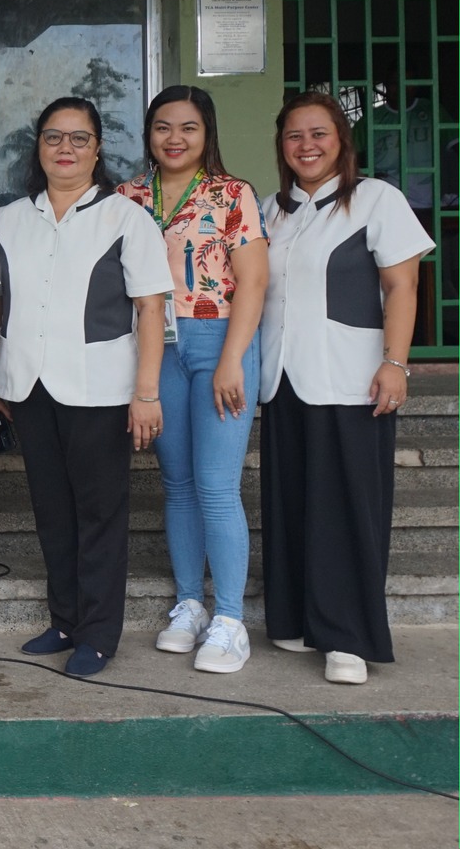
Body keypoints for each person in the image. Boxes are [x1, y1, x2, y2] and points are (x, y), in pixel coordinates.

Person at [0, 97, 170, 677]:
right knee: (51, 510)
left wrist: (146, 392)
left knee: (100, 513)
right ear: (37, 146)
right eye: (54, 138)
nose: (66, 149)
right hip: (28, 386)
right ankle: (63, 620)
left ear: (97, 148)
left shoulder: (127, 218)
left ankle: (98, 633)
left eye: (79, 139)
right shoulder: (10, 217)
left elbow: (151, 309)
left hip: (101, 388)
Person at [256, 90, 433, 685]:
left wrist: (396, 363)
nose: (306, 146)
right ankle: (297, 618)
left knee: (347, 508)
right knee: (291, 500)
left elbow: (403, 287)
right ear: (281, 147)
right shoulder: (269, 210)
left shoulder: (376, 200)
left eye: (319, 134)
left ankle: (347, 637)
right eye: (294, 137)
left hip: (350, 376)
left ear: (341, 142)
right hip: (282, 378)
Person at [120, 87, 267, 674]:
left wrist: (233, 359)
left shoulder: (232, 194)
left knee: (214, 485)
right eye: (162, 127)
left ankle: (231, 618)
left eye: (187, 127)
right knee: (176, 482)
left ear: (207, 133)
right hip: (156, 348)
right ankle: (190, 604)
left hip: (218, 344)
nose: (174, 139)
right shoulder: (127, 197)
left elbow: (253, 282)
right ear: (148, 133)